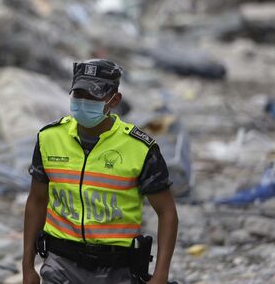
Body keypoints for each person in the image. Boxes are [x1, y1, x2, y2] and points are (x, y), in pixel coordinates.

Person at [22, 59, 178, 284]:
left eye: (93, 97)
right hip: (61, 264)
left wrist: (161, 275)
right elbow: (36, 201)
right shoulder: (49, 138)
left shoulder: (140, 148)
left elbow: (167, 213)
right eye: (79, 95)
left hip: (117, 269)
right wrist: (28, 267)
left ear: (114, 100)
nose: (83, 103)